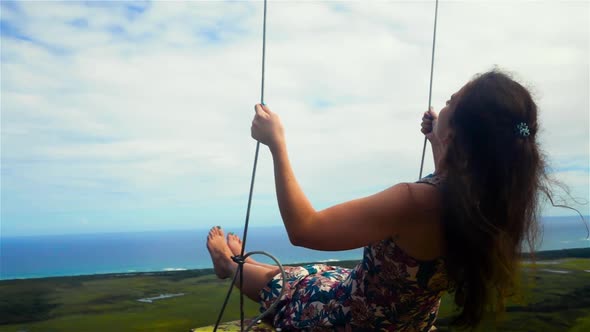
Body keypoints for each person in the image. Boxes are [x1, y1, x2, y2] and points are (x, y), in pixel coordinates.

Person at [206, 69, 547, 331]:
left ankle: (227, 266)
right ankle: (240, 262)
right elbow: (449, 192)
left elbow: (304, 229)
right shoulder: (493, 202)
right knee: (307, 273)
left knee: (286, 284)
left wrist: (275, 143)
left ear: (456, 132)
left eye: (450, 103)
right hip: (408, 321)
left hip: (352, 320)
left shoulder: (412, 202)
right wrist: (437, 142)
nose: (442, 106)